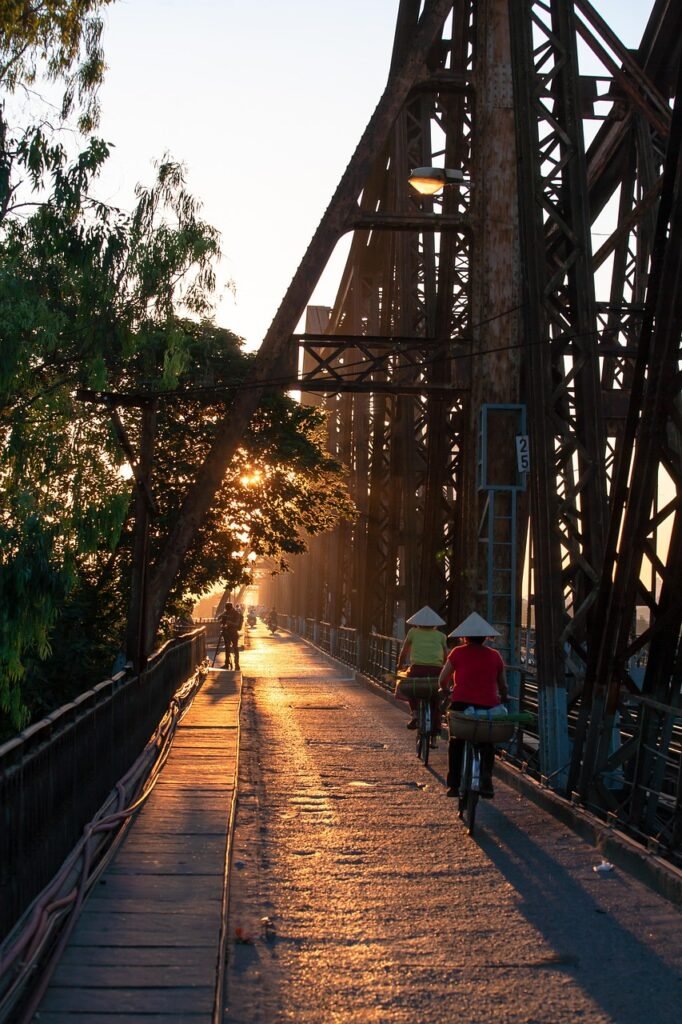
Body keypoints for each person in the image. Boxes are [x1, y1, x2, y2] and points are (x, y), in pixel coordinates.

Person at [438, 612, 508, 798]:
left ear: (464, 636)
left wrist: (445, 690)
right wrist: (505, 697)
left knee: (456, 742)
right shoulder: (495, 656)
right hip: (488, 708)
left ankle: (453, 785)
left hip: (461, 705)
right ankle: (486, 780)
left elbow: (442, 679)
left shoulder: (457, 652)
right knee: (487, 743)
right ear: (485, 637)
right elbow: (503, 684)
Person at [397, 605, 447, 733]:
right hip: (437, 670)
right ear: (435, 624)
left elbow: (404, 651)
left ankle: (414, 714)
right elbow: (446, 656)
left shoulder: (413, 632)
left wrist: (400, 664)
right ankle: (436, 727)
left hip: (417, 670)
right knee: (437, 696)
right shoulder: (441, 636)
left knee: (410, 689)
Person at [220, 602, 243, 669]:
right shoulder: (226, 613)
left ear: (231, 608)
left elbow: (237, 624)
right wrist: (222, 619)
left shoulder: (236, 614)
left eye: (228, 609)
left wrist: (230, 623)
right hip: (226, 633)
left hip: (233, 633)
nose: (228, 611)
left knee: (235, 648)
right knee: (227, 648)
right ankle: (227, 663)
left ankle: (237, 664)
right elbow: (220, 619)